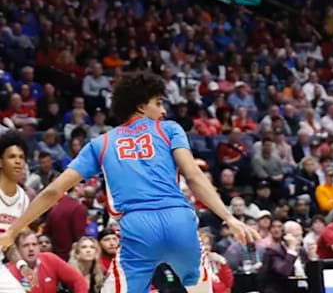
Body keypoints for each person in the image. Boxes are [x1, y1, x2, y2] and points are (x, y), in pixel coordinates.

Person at [0, 71, 259, 293]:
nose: (164, 109)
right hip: (179, 219)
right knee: (201, 287)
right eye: (158, 102)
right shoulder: (169, 129)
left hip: (137, 226)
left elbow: (54, 190)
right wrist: (230, 218)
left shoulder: (101, 143)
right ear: (140, 105)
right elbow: (193, 176)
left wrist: (13, 231)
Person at [0, 132, 33, 293]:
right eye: (12, 156)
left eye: (21, 157)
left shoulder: (23, 200)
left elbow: (8, 242)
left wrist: (22, 265)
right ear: (0, 162)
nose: (18, 161)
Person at [5, 231, 87, 293]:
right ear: (18, 250)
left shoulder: (50, 258)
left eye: (34, 244)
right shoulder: (8, 272)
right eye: (25, 245)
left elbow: (78, 280)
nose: (31, 249)